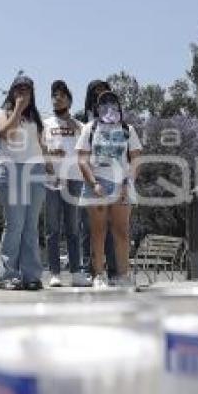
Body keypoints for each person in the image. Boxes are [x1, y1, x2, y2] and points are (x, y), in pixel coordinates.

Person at [77, 90, 142, 288]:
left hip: (121, 184)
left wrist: (127, 182)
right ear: (97, 107)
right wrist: (93, 183)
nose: (108, 106)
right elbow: (82, 159)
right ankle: (98, 275)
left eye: (112, 102)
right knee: (98, 231)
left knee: (121, 231)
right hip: (97, 183)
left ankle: (123, 275)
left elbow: (136, 159)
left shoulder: (127, 129)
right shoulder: (90, 128)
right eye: (103, 103)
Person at [0, 74, 48, 291]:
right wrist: (17, 108)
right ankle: (8, 275)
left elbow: (41, 146)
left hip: (36, 171)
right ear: (12, 91)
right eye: (18, 89)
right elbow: (5, 133)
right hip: (11, 169)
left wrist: (50, 163)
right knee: (14, 225)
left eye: (27, 89)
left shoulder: (36, 119)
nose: (23, 92)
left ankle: (31, 275)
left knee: (30, 226)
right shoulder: (0, 113)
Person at [42, 80, 90, 287]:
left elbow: (87, 152)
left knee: (73, 228)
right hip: (52, 180)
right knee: (52, 228)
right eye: (54, 95)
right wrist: (50, 156)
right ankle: (54, 273)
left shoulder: (80, 126)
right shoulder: (45, 123)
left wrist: (74, 126)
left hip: (75, 180)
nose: (57, 98)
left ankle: (77, 272)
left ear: (69, 99)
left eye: (61, 94)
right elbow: (39, 150)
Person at [79, 80, 118, 278]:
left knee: (111, 228)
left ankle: (113, 270)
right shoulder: (82, 120)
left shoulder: (118, 120)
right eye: (96, 91)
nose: (100, 94)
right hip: (89, 178)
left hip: (113, 178)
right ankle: (89, 270)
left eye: (104, 90)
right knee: (88, 228)